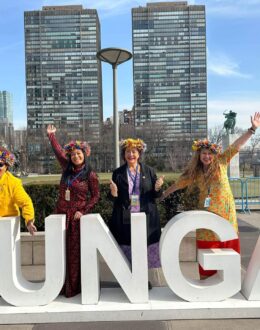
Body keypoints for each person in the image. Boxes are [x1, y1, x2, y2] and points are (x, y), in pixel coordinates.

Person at [162, 112, 260, 278]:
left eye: (209, 153)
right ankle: (207, 282)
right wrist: (163, 194)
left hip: (225, 217)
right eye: (203, 154)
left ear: (214, 155)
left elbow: (236, 145)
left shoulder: (222, 162)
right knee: (208, 254)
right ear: (199, 156)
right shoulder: (194, 173)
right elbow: (178, 184)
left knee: (227, 252)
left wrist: (252, 129)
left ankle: (229, 283)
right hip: (206, 218)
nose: (207, 156)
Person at [47, 124, 100, 297]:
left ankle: (74, 287)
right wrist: (52, 136)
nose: (76, 156)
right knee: (58, 252)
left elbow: (95, 197)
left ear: (85, 155)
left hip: (77, 218)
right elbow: (58, 152)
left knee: (74, 254)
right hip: (61, 214)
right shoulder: (66, 168)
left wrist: (83, 211)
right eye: (73, 154)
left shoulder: (90, 175)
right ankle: (57, 285)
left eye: (79, 153)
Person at [109, 138, 164, 289]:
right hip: (125, 218)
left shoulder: (149, 171)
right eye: (127, 152)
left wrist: (158, 188)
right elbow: (113, 199)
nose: (131, 154)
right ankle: (130, 279)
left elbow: (156, 196)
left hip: (145, 218)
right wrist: (113, 193)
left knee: (143, 248)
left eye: (134, 151)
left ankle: (142, 280)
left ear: (139, 154)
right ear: (124, 154)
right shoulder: (118, 173)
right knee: (128, 248)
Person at [0, 146, 36, 235]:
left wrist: (29, 221)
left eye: (0, 165)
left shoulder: (13, 183)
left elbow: (26, 203)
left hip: (7, 229)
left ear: (6, 166)